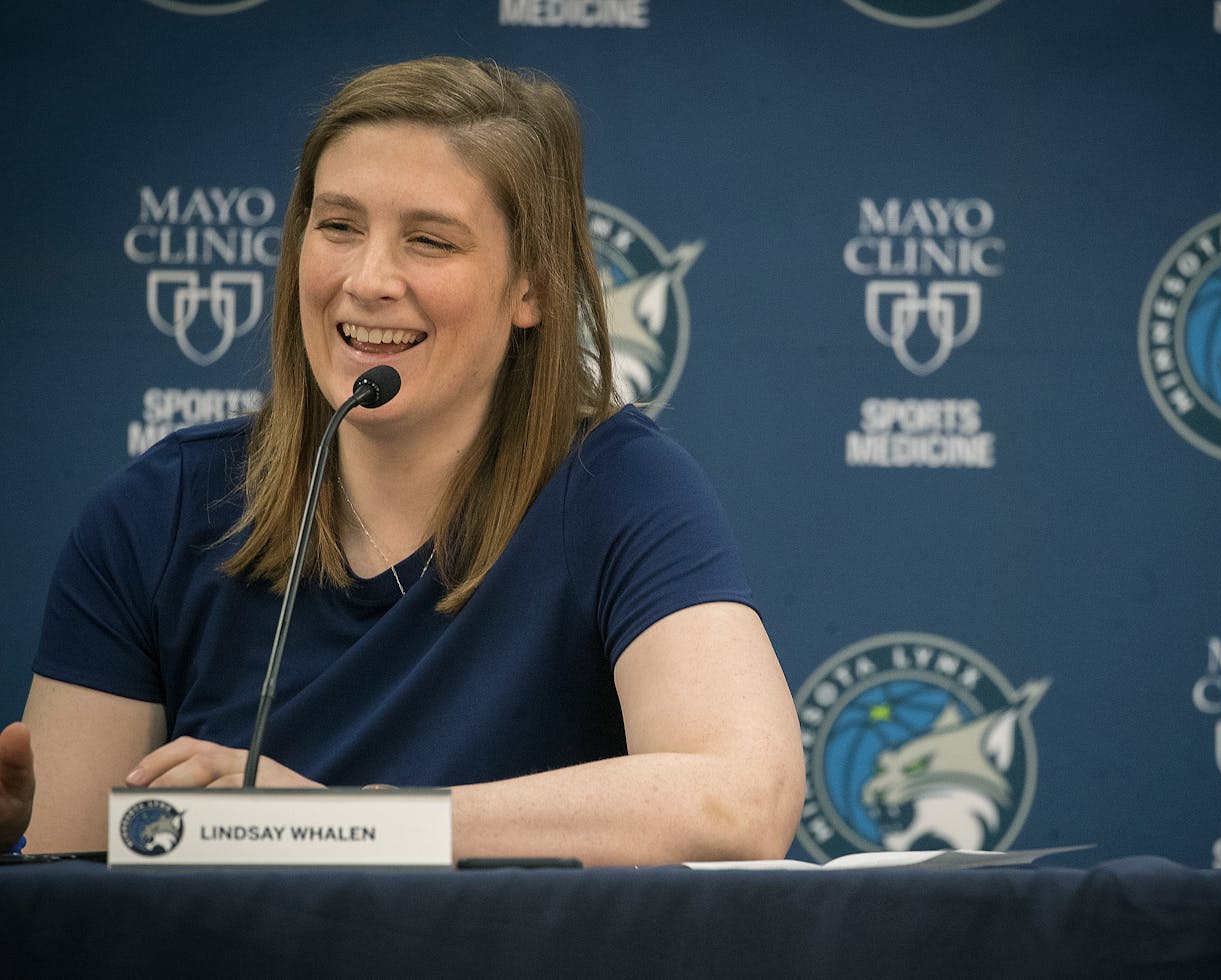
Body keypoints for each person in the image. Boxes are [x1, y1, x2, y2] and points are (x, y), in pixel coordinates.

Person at [0, 56, 804, 866]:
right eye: (339, 226)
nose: (369, 279)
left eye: (429, 240)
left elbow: (739, 803)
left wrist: (349, 826)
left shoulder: (616, 487)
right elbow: (63, 882)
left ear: (531, 289)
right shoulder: (162, 509)